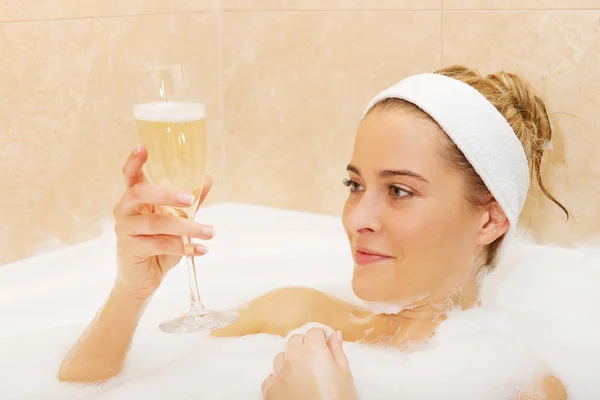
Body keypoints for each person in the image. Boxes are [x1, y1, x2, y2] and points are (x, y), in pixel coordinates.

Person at [58, 65, 568, 399]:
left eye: (400, 191)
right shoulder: (296, 314)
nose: (356, 218)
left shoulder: (518, 383)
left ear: (489, 219)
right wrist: (133, 289)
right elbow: (79, 387)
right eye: (355, 184)